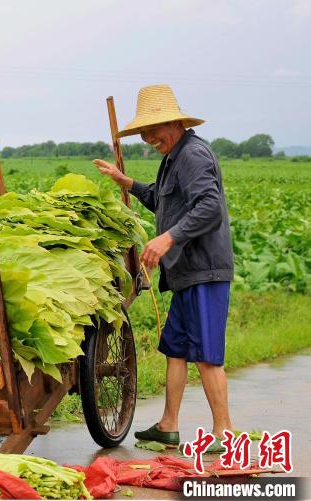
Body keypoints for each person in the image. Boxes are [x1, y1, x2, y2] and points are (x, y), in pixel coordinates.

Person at [93, 84, 234, 452]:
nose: (147, 137)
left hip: (204, 271)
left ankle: (224, 432)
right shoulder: (173, 157)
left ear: (173, 122)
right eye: (143, 132)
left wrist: (167, 239)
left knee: (206, 356)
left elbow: (210, 207)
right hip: (186, 274)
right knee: (176, 349)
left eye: (152, 130)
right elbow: (161, 199)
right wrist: (127, 183)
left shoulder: (193, 155)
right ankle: (168, 425)